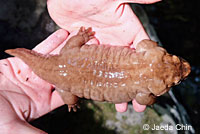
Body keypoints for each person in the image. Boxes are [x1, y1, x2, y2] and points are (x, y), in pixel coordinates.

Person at [0, 0, 160, 133]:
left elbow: (146, 45)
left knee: (69, 77)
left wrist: (81, 37)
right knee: (68, 91)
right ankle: (70, 101)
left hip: (68, 65)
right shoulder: (144, 91)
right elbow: (145, 99)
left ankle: (70, 101)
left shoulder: (146, 61)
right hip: (65, 80)